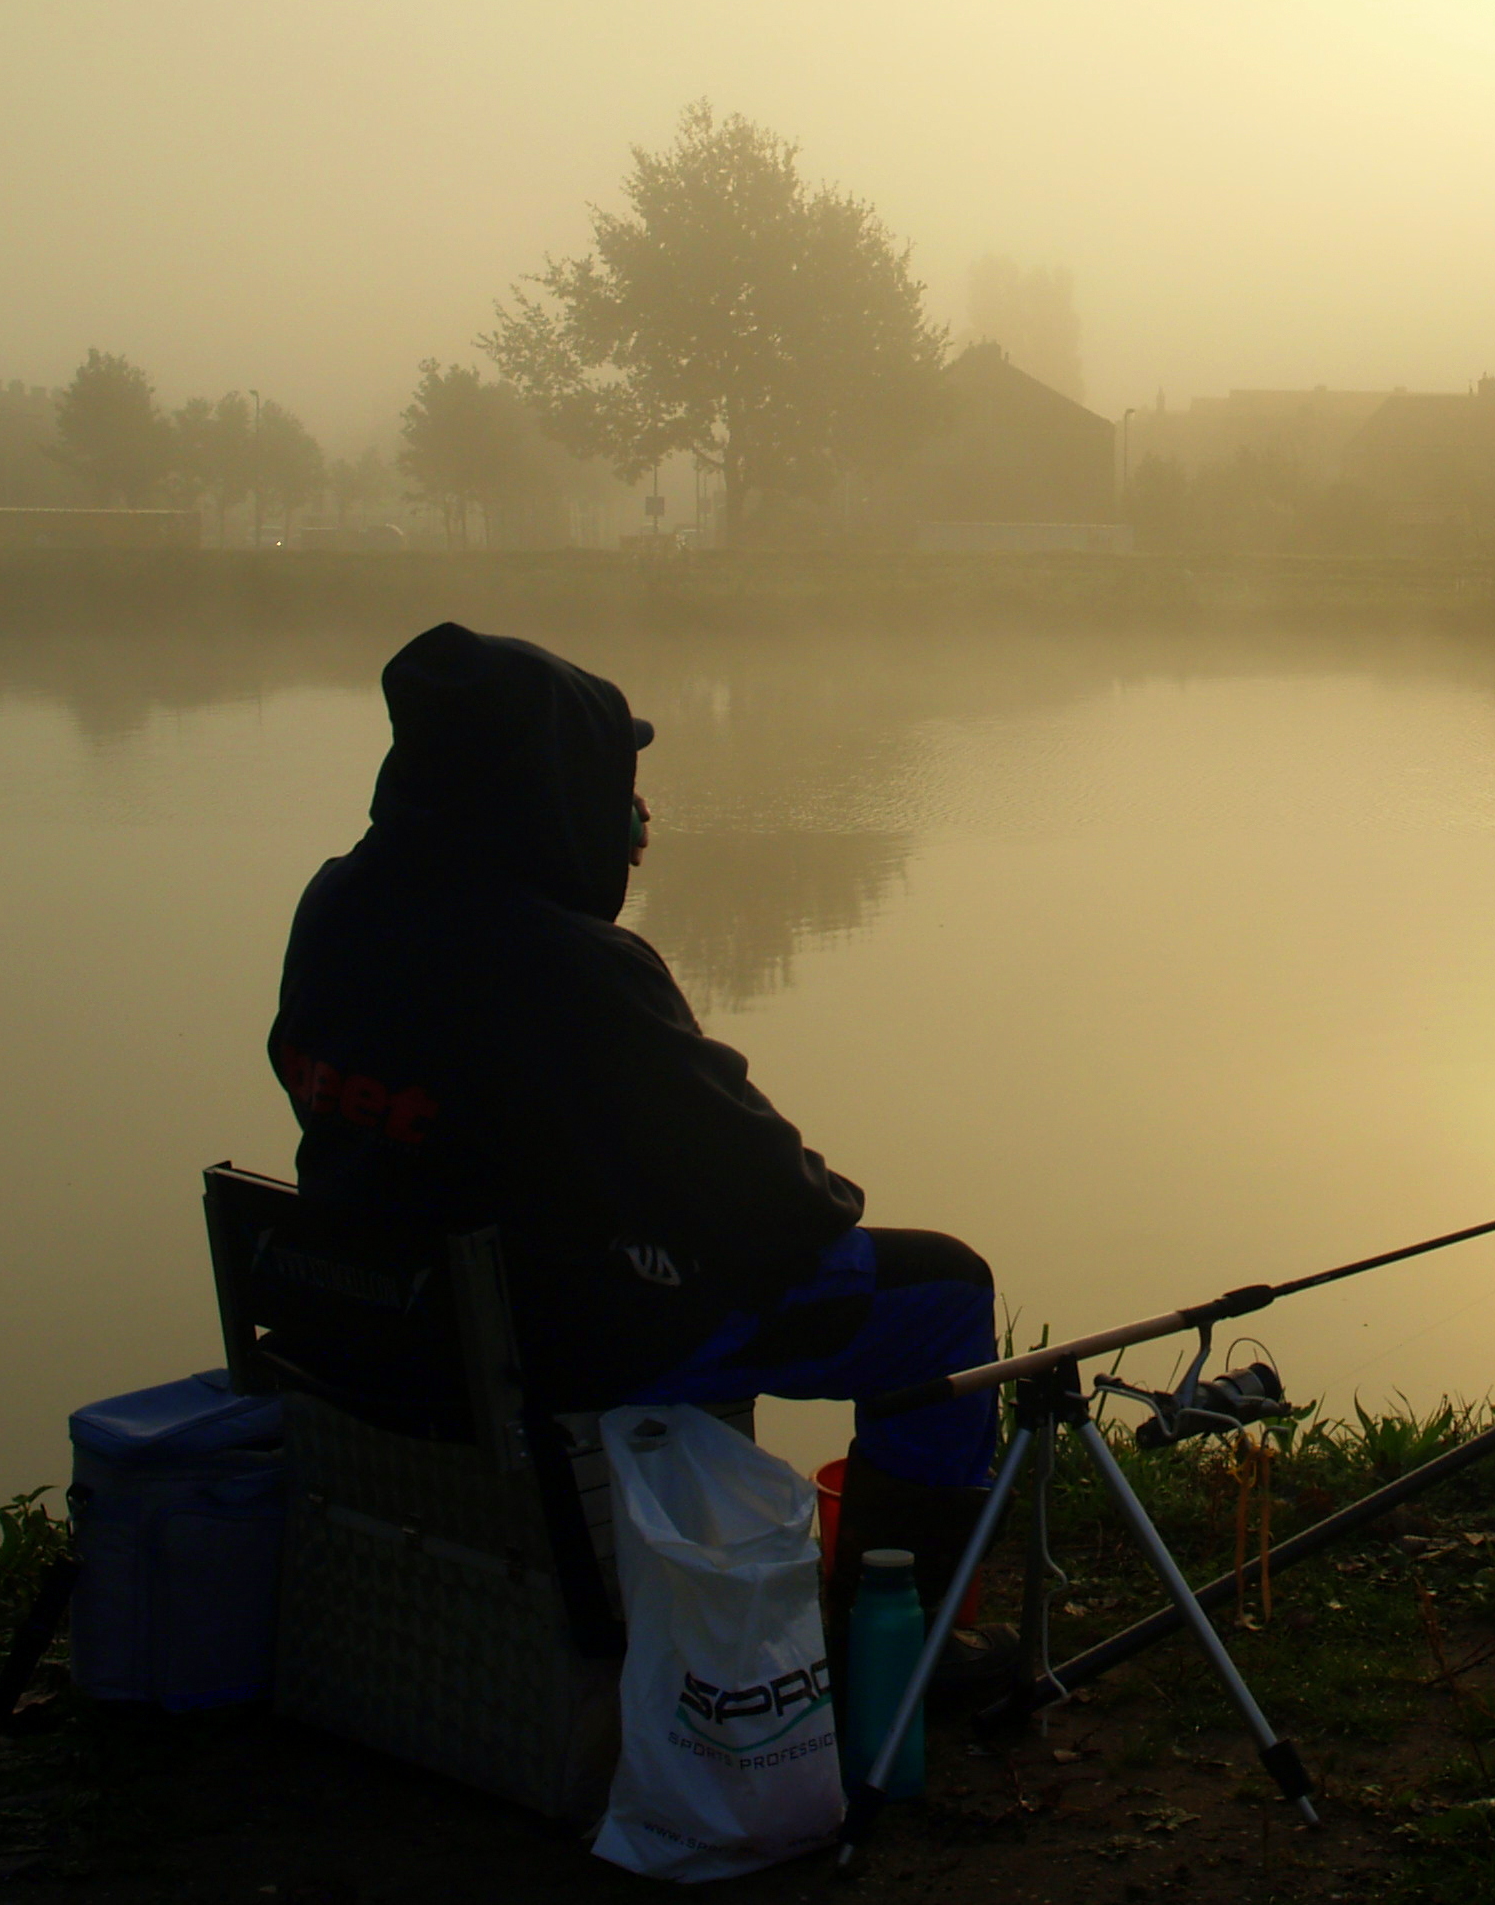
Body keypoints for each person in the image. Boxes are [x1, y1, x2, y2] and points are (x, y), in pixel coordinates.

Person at [267, 621, 998, 1627]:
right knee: (945, 1292)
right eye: (610, 777)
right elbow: (773, 1202)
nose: (633, 804)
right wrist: (828, 1205)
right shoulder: (569, 967)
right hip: (560, 1332)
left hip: (378, 1316)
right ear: (544, 783)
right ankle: (897, 1640)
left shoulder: (338, 903)